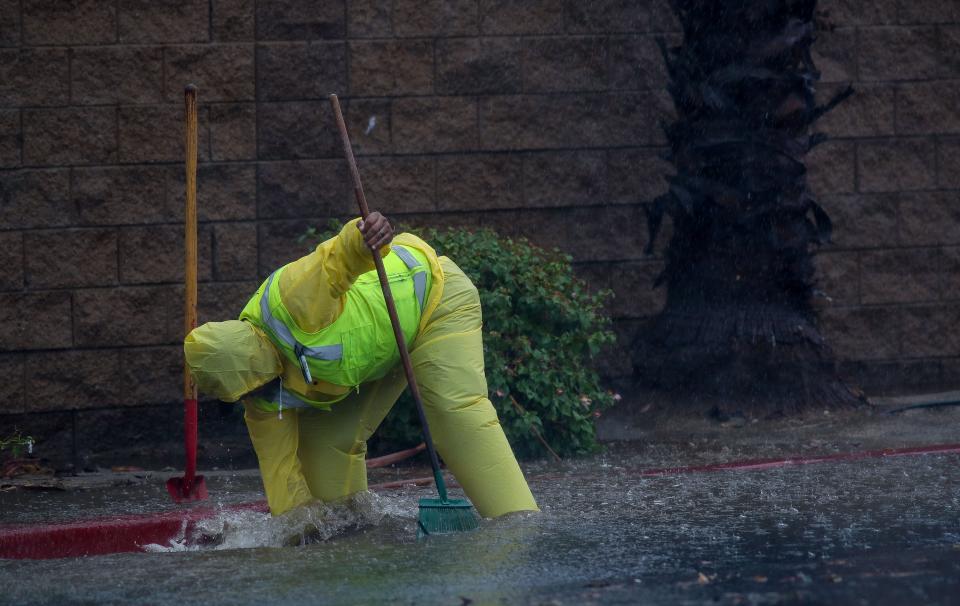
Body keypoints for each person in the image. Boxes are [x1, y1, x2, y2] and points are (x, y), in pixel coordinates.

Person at [184, 212, 539, 518]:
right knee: (323, 449)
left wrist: (367, 233)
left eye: (252, 387)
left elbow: (337, 257)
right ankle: (355, 535)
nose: (256, 396)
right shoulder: (261, 398)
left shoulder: (291, 301)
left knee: (454, 414)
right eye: (244, 394)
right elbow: (280, 472)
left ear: (251, 365)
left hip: (434, 298)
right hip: (379, 350)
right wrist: (299, 529)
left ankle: (519, 529)